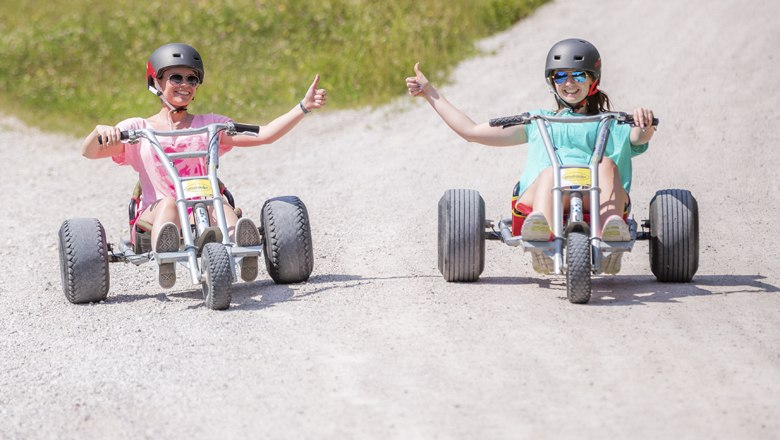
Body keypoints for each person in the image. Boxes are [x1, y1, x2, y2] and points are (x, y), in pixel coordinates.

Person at [82, 43, 327, 288]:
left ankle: (242, 248)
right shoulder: (138, 130)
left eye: (192, 79)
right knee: (170, 203)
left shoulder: (210, 125)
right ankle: (166, 257)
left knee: (217, 201)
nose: (185, 84)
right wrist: (99, 132)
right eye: (175, 77)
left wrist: (303, 107)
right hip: (157, 215)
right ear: (156, 81)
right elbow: (89, 152)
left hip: (206, 209)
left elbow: (264, 134)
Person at [405, 38, 655, 274]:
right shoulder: (538, 121)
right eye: (561, 75)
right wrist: (430, 93)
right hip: (545, 195)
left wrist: (644, 124)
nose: (570, 83)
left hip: (598, 198)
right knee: (551, 173)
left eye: (578, 75)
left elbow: (639, 137)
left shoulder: (612, 123)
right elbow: (471, 131)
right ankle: (541, 239)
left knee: (607, 164)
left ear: (593, 80)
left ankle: (611, 239)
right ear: (552, 81)